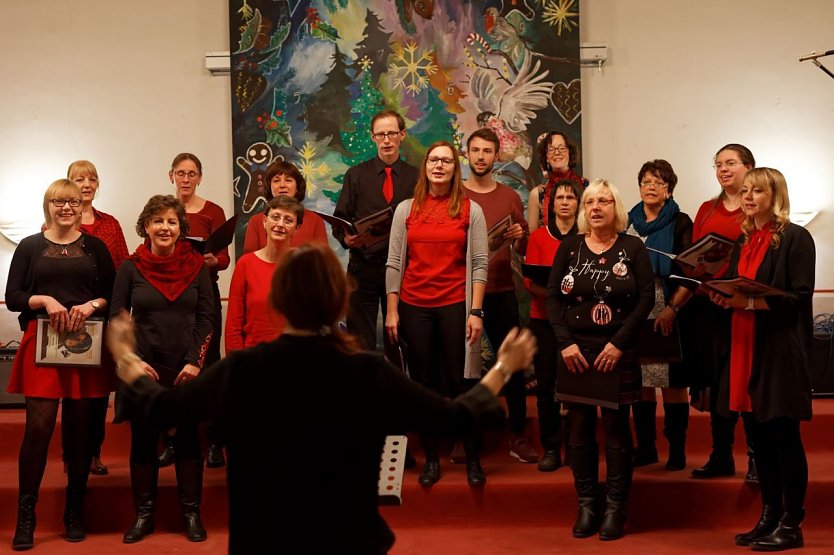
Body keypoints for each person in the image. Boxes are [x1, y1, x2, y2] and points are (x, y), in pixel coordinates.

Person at [106, 243, 537, 554]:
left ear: (279, 300)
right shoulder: (367, 371)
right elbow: (456, 417)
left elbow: (160, 408)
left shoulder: (242, 370)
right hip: (348, 540)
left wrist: (125, 354)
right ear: (337, 299)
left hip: (265, 541)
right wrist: (503, 366)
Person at [707, 168, 814, 550]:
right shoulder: (746, 240)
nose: (748, 196)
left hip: (777, 351)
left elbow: (798, 299)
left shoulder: (796, 238)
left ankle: (792, 523)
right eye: (746, 190)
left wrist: (749, 301)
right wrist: (721, 295)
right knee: (758, 439)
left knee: (783, 438)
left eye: (757, 191)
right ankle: (768, 516)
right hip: (744, 347)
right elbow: (738, 287)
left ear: (775, 195)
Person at [6, 179, 115, 550]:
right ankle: (27, 515)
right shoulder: (30, 246)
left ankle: (74, 510)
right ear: (47, 205)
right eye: (58, 201)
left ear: (81, 204)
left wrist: (92, 305)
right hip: (43, 344)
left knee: (80, 434)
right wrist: (45, 300)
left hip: (87, 346)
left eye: (71, 201)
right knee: (37, 433)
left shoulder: (96, 247)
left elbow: (112, 294)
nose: (66, 207)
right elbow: (13, 296)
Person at [546, 179, 654, 540]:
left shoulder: (632, 247)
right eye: (590, 201)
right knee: (578, 431)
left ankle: (615, 508)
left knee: (617, 430)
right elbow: (551, 297)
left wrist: (619, 343)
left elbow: (645, 299)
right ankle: (587, 504)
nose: (596, 207)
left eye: (604, 201)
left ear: (616, 208)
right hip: (575, 352)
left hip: (616, 352)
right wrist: (564, 343)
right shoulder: (570, 246)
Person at [109, 195, 214, 544]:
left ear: (181, 227)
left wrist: (195, 361)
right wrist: (132, 361)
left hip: (185, 367)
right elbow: (117, 316)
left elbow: (207, 317)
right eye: (158, 221)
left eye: (171, 221)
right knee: (143, 442)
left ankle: (191, 513)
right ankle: (144, 514)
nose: (165, 227)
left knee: (187, 441)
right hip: (144, 367)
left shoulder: (197, 264)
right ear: (146, 227)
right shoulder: (130, 267)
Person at [386, 141, 489, 486]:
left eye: (446, 160)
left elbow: (478, 263)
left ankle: (473, 458)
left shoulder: (469, 209)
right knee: (424, 385)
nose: (439, 165)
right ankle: (432, 459)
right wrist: (392, 310)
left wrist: (476, 311)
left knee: (463, 383)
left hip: (455, 307)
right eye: (434, 160)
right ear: (425, 167)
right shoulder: (406, 209)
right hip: (415, 307)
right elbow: (395, 262)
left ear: (454, 168)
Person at [683, 144, 758, 481]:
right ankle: (721, 454)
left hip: (742, 306)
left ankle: (757, 457)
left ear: (749, 166)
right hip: (706, 305)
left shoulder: (757, 206)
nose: (723, 170)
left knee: (745, 381)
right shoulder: (706, 208)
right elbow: (698, 257)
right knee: (715, 383)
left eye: (730, 163)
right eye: (718, 165)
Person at [461, 128, 536, 464]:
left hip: (503, 288)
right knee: (466, 367)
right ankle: (466, 436)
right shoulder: (456, 196)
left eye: (487, 151)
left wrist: (519, 235)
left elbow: (522, 248)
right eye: (475, 150)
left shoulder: (509, 196)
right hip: (463, 296)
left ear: (496, 156)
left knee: (513, 366)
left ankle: (517, 435)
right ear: (467, 155)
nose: (480, 156)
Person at [625, 160, 693, 471]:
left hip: (668, 302)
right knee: (641, 379)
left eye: (658, 182)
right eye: (646, 181)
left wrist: (672, 308)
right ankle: (647, 447)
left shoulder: (680, 222)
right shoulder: (626, 222)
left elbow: (689, 273)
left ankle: (676, 449)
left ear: (669, 190)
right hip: (633, 307)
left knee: (670, 380)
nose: (651, 187)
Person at [333, 110, 419, 358]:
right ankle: (367, 395)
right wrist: (345, 238)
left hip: (404, 270)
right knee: (360, 341)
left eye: (392, 133)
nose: (387, 140)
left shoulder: (416, 176)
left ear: (402, 135)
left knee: (401, 337)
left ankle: (399, 391)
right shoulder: (356, 175)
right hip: (363, 267)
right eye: (381, 135)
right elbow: (340, 218)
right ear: (372, 138)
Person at [67, 159, 129, 477]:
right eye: (80, 178)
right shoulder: (60, 222)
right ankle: (71, 455)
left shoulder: (111, 224)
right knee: (72, 391)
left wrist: (119, 312)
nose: (87, 184)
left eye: (92, 178)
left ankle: (94, 453)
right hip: (70, 319)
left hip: (103, 316)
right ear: (69, 184)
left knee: (99, 391)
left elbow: (122, 270)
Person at [168, 152, 229, 468]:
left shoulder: (213, 211)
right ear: (171, 177)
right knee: (175, 365)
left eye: (192, 173)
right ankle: (174, 439)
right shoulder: (165, 210)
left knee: (211, 363)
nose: (186, 179)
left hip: (205, 295)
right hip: (173, 297)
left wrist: (212, 261)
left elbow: (224, 258)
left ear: (200, 177)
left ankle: (215, 440)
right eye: (181, 173)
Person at [524, 178, 583, 472]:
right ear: (550, 204)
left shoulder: (587, 236)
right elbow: (529, 282)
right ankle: (551, 447)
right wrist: (555, 296)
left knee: (577, 387)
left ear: (577, 203)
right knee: (546, 387)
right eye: (559, 197)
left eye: (570, 197)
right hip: (544, 321)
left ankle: (576, 446)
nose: (564, 202)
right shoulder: (537, 237)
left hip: (578, 324)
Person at [226, 196, 302, 351]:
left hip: (294, 360)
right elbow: (234, 324)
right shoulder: (245, 264)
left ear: (297, 228)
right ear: (264, 221)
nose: (280, 224)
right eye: (275, 217)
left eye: (288, 220)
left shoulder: (303, 266)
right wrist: (235, 366)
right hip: (252, 361)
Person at [242, 160, 327, 252]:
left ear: (297, 187)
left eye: (288, 180)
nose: (282, 185)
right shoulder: (256, 221)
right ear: (270, 187)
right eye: (276, 180)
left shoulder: (315, 220)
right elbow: (249, 260)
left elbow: (323, 260)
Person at [527, 131, 587, 233]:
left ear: (570, 153)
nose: (557, 152)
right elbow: (533, 237)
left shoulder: (587, 187)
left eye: (562, 148)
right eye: (551, 149)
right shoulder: (537, 194)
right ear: (546, 157)